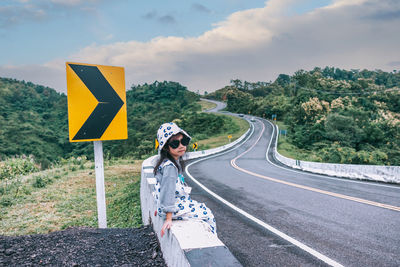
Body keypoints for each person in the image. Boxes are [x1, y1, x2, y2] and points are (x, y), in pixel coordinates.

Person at [153, 122, 217, 237]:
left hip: (169, 206)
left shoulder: (167, 162)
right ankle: (211, 241)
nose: (181, 146)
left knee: (200, 207)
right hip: (173, 207)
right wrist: (168, 218)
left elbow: (159, 187)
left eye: (184, 141)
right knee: (207, 214)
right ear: (166, 147)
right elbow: (168, 191)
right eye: (175, 143)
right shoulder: (170, 167)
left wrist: (159, 207)